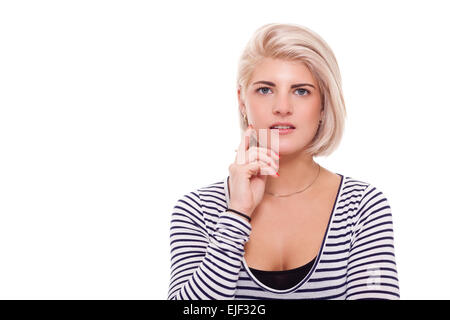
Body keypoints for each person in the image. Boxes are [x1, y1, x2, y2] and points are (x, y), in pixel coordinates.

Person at [167, 23, 400, 300]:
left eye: (301, 91)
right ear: (242, 101)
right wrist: (237, 214)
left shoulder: (362, 206)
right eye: (265, 90)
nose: (282, 107)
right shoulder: (197, 210)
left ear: (324, 103)